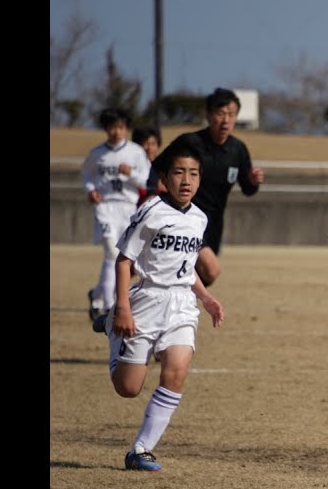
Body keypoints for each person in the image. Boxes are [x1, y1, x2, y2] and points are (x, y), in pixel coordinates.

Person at [106, 146, 225, 471]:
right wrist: (123, 309)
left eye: (194, 173)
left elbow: (186, 270)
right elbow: (123, 261)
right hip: (145, 301)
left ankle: (141, 449)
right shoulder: (151, 211)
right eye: (179, 172)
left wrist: (206, 298)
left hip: (181, 306)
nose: (186, 180)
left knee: (176, 371)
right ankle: (110, 327)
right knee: (129, 388)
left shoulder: (199, 218)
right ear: (164, 178)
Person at [146, 87, 264, 287]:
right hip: (183, 218)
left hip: (213, 224)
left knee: (198, 273)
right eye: (220, 114)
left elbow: (247, 189)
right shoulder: (190, 142)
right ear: (209, 115)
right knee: (211, 269)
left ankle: (167, 303)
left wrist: (253, 182)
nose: (226, 120)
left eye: (231, 114)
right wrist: (152, 192)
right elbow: (157, 167)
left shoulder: (238, 150)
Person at [82, 107, 152, 326]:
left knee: (125, 256)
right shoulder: (97, 154)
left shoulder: (135, 152)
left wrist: (130, 173)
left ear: (126, 128)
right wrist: (90, 190)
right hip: (105, 207)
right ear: (106, 129)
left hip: (128, 208)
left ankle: (97, 296)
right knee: (112, 252)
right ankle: (111, 304)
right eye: (112, 127)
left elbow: (145, 179)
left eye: (120, 127)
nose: (116, 132)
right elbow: (87, 175)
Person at [132, 125, 165, 206]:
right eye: (146, 144)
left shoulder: (165, 165)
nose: (149, 148)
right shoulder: (132, 166)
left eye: (153, 144)